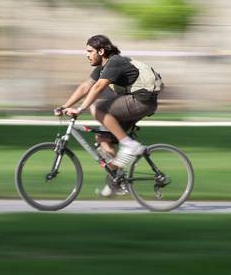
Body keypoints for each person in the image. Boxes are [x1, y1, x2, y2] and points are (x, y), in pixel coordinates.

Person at [55, 35, 159, 196]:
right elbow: (85, 87)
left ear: (101, 51)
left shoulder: (115, 62)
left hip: (141, 100)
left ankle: (129, 145)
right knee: (102, 138)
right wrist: (64, 106)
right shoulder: (102, 68)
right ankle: (116, 182)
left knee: (97, 107)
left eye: (90, 51)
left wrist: (80, 109)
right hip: (136, 102)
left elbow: (97, 88)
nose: (87, 55)